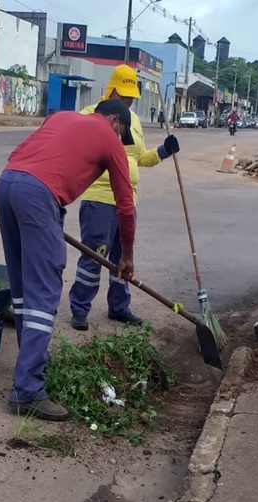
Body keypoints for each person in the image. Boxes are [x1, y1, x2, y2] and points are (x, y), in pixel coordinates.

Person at [0, 98, 138, 421]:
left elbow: (26, 156)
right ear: (114, 120)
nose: (121, 141)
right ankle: (28, 390)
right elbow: (125, 205)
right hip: (37, 195)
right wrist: (126, 253)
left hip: (6, 184)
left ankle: (29, 363)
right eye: (122, 133)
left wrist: (51, 213)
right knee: (44, 289)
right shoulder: (109, 139)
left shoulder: (61, 118)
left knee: (22, 285)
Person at [68, 65, 180, 331]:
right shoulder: (91, 115)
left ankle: (119, 307)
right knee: (95, 255)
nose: (128, 101)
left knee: (123, 256)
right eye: (124, 96)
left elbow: (139, 158)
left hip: (128, 200)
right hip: (100, 198)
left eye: (131, 97)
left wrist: (164, 151)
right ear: (112, 89)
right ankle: (80, 308)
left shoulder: (134, 121)